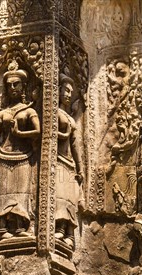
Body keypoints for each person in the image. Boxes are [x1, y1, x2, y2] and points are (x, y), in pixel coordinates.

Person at [0, 60, 40, 240]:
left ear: (23, 86)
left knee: (21, 193)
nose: (13, 87)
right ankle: (1, 227)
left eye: (16, 84)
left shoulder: (28, 110)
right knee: (3, 194)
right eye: (9, 85)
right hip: (3, 156)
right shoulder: (2, 113)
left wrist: (19, 133)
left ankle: (19, 225)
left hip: (24, 157)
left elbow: (38, 132)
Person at [54, 74, 83, 248]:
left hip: (68, 162)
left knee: (69, 199)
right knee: (58, 196)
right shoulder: (54, 113)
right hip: (56, 159)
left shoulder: (71, 119)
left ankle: (68, 233)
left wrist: (80, 169)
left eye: (70, 92)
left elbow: (75, 146)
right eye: (65, 90)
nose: (68, 94)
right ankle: (58, 227)